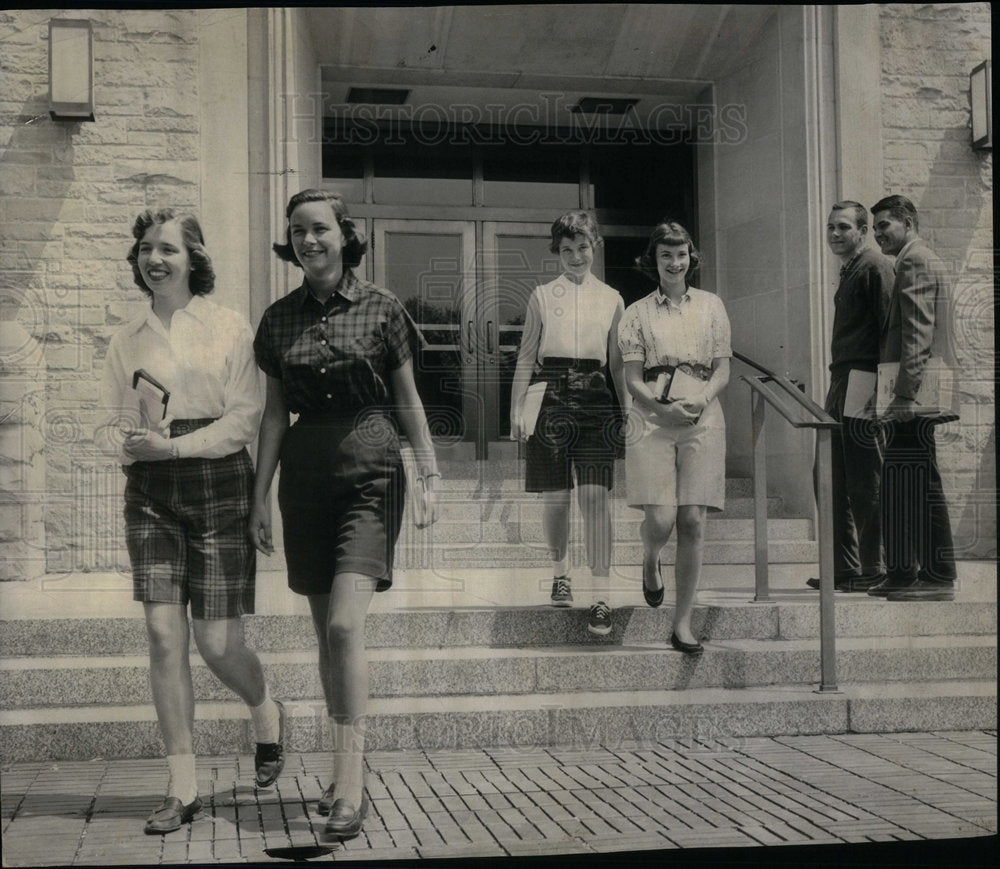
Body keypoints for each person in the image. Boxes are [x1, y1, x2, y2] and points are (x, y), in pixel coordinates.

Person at [250, 189, 439, 839]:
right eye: (298, 231)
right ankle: (343, 766)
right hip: (304, 481)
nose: (309, 240)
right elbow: (274, 414)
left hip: (371, 472)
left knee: (342, 627)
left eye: (320, 229)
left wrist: (431, 469)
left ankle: (351, 785)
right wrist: (257, 497)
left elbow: (408, 401)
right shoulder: (277, 320)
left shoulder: (384, 309)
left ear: (344, 235)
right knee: (324, 633)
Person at [98, 208, 284, 836]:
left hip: (217, 483)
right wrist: (126, 440)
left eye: (168, 249)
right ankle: (182, 787)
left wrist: (173, 447)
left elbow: (243, 421)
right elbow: (111, 422)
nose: (155, 259)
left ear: (194, 258)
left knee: (217, 642)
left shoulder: (230, 327)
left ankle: (265, 713)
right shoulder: (129, 338)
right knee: (162, 635)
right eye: (146, 249)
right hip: (150, 491)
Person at [509, 211, 629, 636]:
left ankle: (601, 597)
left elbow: (617, 363)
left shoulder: (613, 298)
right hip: (550, 393)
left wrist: (626, 410)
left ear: (594, 246)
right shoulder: (542, 295)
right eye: (566, 250)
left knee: (595, 498)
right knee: (557, 497)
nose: (575, 256)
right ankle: (561, 573)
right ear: (556, 253)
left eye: (582, 247)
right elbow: (526, 356)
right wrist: (516, 411)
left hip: (597, 395)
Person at [618, 220, 731, 655]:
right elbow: (631, 378)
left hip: (702, 415)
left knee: (692, 520)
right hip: (652, 419)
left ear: (691, 258)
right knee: (662, 520)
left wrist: (701, 398)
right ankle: (650, 558)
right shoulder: (637, 312)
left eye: (681, 254)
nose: (674, 262)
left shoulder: (711, 306)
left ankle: (682, 623)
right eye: (666, 255)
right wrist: (661, 408)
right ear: (654, 260)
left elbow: (722, 368)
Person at [867, 194, 958, 601]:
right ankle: (915, 574)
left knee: (911, 482)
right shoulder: (915, 259)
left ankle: (931, 576)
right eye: (874, 228)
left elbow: (917, 334)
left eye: (884, 225)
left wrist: (903, 397)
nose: (878, 234)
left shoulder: (914, 260)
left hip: (915, 396)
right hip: (918, 393)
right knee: (915, 481)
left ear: (906, 221)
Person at [805, 202, 894, 592]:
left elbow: (893, 329)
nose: (834, 234)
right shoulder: (851, 269)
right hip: (841, 379)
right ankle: (845, 568)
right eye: (830, 228)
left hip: (865, 378)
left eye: (843, 227)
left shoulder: (876, 266)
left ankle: (875, 568)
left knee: (865, 476)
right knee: (829, 474)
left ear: (862, 230)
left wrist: (882, 390)